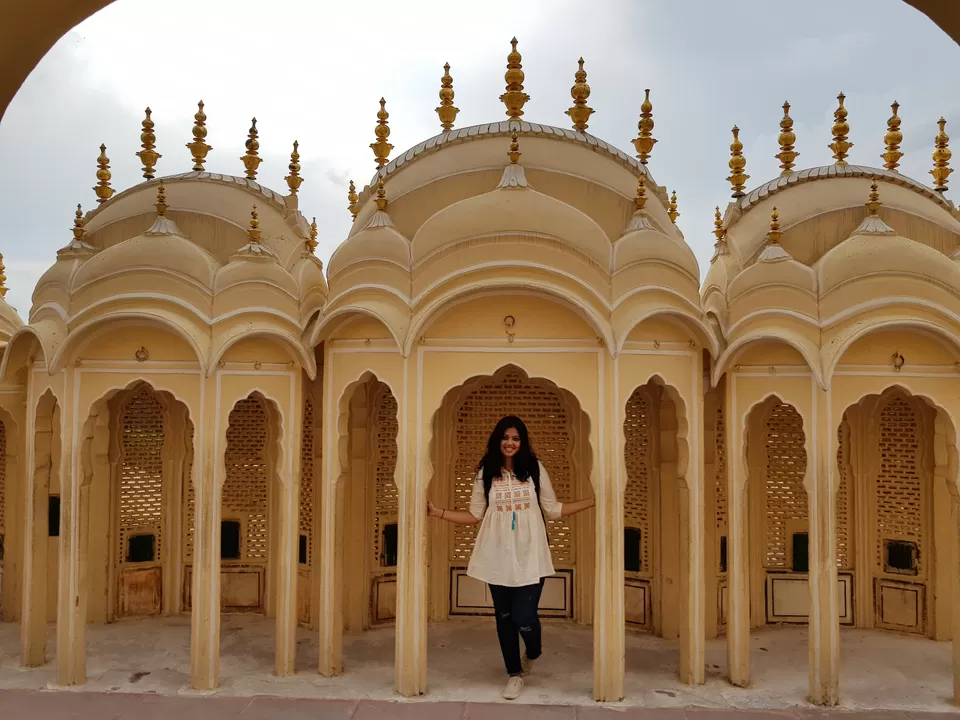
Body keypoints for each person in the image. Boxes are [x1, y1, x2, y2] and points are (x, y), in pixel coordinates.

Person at [426, 415, 595, 700]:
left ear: (522, 442)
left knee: (524, 617)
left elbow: (553, 509)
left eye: (516, 438)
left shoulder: (534, 469)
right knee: (504, 617)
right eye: (505, 437)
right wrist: (437, 512)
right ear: (497, 440)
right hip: (497, 555)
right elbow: (474, 515)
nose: (510, 443)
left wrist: (594, 500)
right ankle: (514, 674)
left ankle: (534, 650)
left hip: (531, 555)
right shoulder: (486, 472)